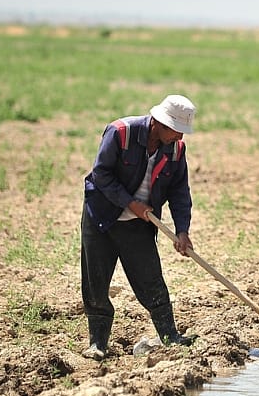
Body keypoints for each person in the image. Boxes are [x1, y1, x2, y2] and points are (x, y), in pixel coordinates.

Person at [80, 94, 197, 360]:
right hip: (102, 218)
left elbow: (180, 191)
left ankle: (170, 337)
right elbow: (101, 174)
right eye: (176, 131)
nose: (179, 138)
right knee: (96, 283)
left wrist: (182, 230)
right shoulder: (120, 132)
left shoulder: (177, 150)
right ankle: (97, 344)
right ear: (158, 123)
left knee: (151, 280)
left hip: (139, 225)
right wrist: (130, 203)